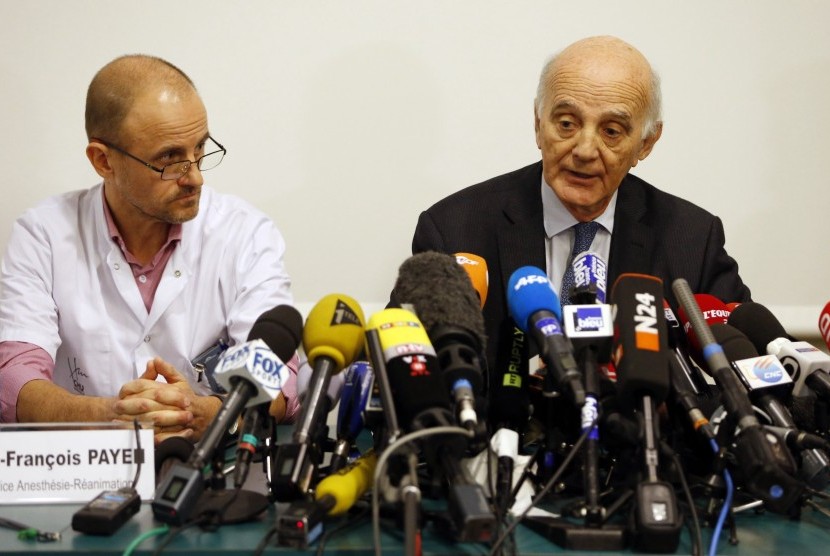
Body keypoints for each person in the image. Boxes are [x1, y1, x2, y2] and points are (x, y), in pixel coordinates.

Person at [406, 35, 751, 388]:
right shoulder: (455, 229)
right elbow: (409, 372)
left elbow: (744, 374)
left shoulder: (692, 240)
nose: (585, 150)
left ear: (646, 143)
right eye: (567, 123)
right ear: (539, 124)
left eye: (611, 131)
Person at [0, 55, 300, 444]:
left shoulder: (244, 233)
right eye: (169, 160)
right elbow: (14, 379)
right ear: (103, 160)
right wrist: (112, 415)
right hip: (81, 470)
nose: (194, 177)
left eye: (200, 149)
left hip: (211, 472)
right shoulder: (44, 233)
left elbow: (282, 385)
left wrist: (206, 415)